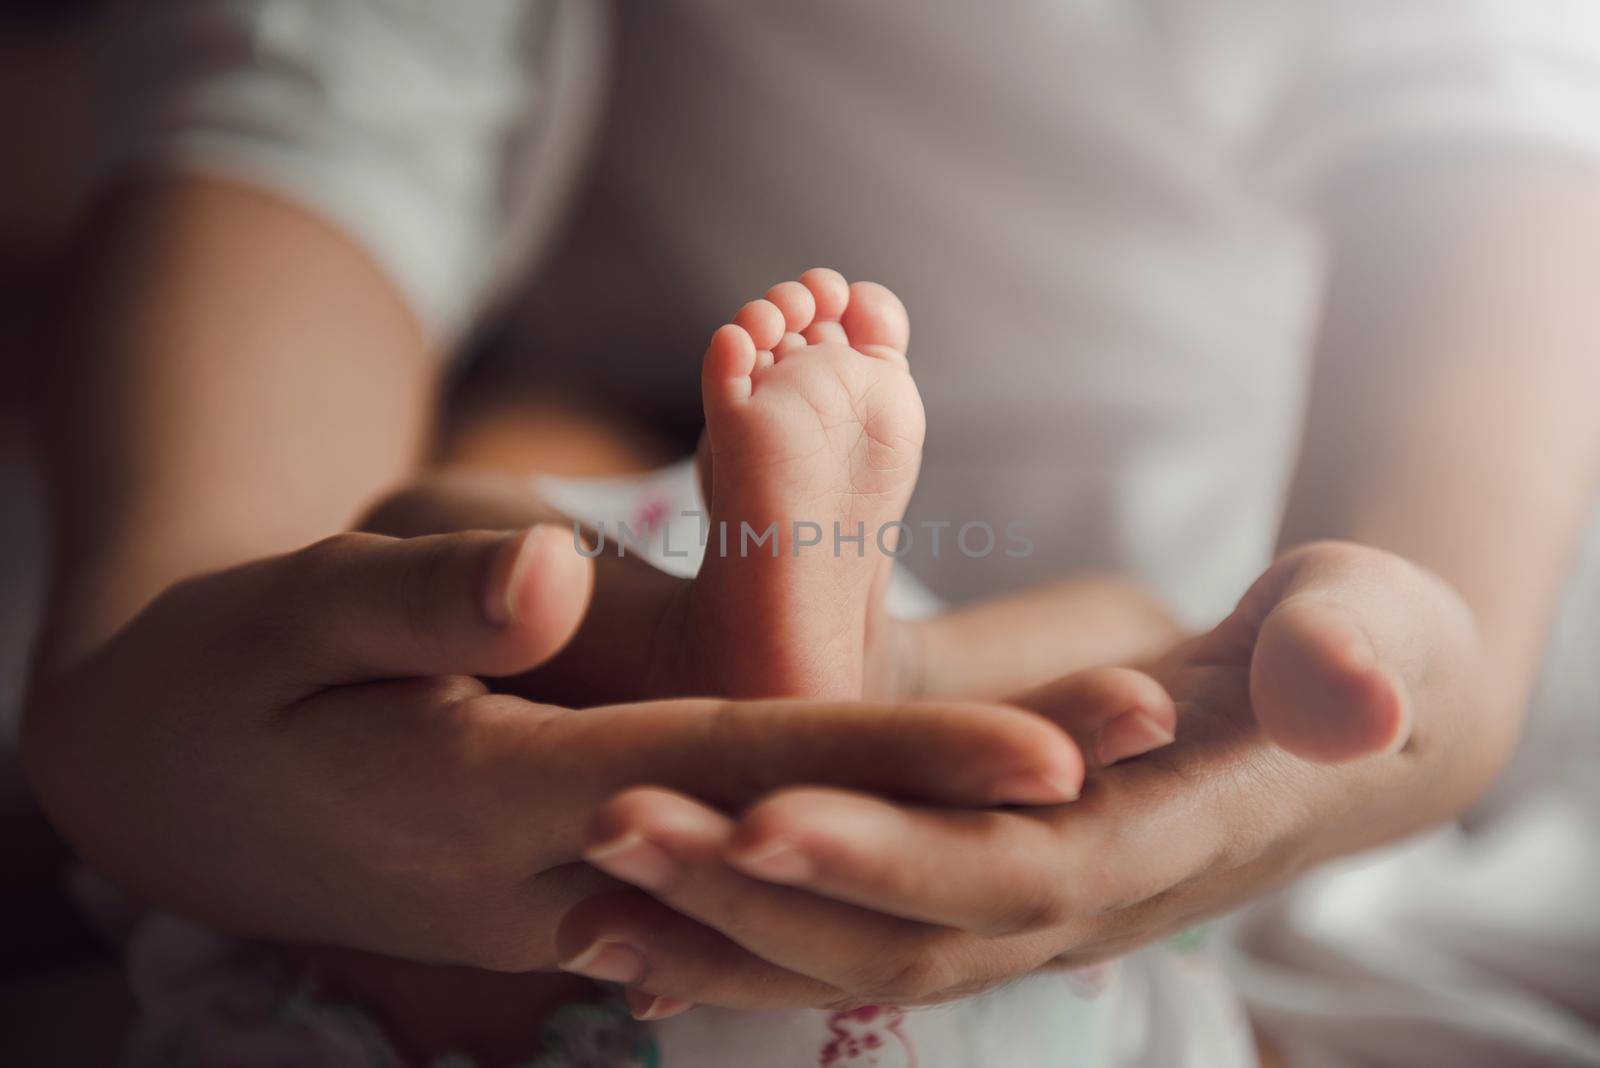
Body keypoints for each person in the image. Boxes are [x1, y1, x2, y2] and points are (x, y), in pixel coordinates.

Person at [20, 0, 1600, 1064]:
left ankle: (809, 650)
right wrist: (151, 645)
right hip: (1070, 682)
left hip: (1230, 625)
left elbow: (1495, 160)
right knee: (468, 589)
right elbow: (311, 93)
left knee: (487, 564)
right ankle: (821, 650)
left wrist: (1436, 661)